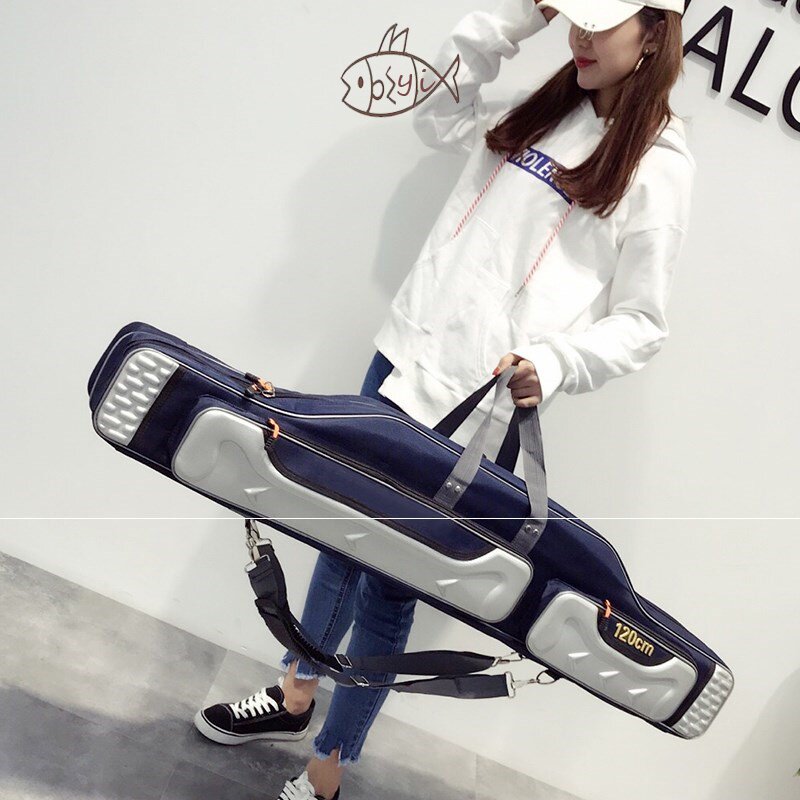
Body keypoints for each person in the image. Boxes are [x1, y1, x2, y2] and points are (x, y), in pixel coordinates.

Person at [194, 0, 694, 797]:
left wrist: (556, 362)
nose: (579, 32)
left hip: (477, 410)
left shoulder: (659, 166)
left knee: (392, 587)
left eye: (600, 20)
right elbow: (435, 114)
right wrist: (515, 17)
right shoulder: (542, 106)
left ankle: (326, 771)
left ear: (654, 33)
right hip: (401, 359)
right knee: (335, 532)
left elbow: (643, 322)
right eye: (571, 11)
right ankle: (295, 694)